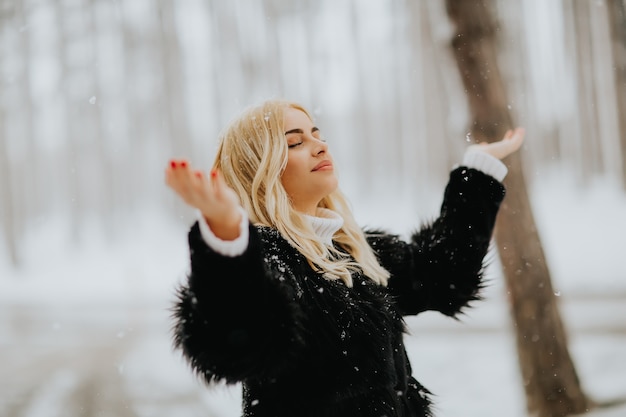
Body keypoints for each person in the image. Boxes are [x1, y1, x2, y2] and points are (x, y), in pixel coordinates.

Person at [165, 99, 524, 417]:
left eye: (317, 134)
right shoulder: (270, 258)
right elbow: (240, 341)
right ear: (259, 170)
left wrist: (477, 173)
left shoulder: (353, 251)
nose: (319, 146)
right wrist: (226, 240)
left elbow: (443, 277)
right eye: (295, 142)